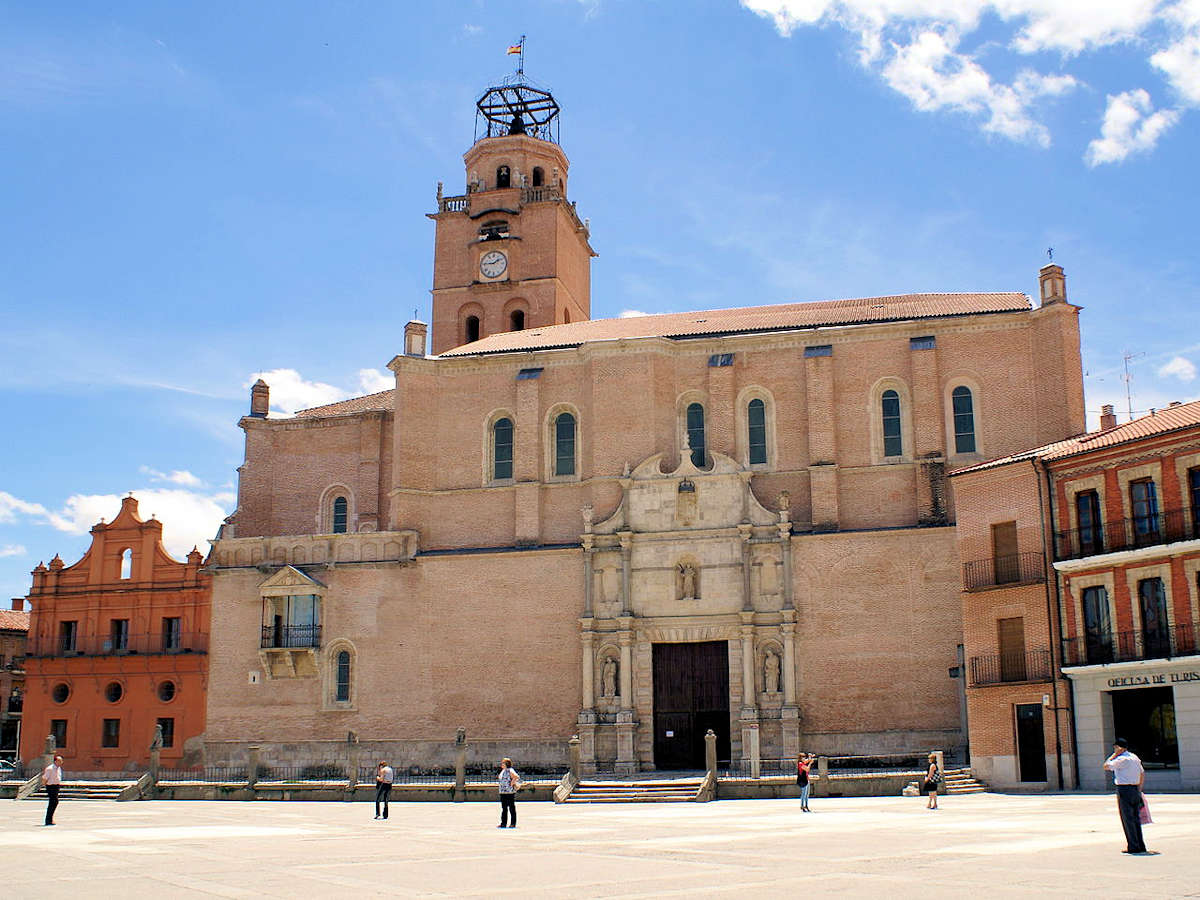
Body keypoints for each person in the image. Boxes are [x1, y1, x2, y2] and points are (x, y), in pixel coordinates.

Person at [1103, 737, 1148, 854]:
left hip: (1124, 789)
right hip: (1135, 789)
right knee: (1136, 819)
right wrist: (1139, 789)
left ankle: (1133, 846)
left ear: (1119, 747)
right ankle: (1140, 844)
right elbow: (1142, 773)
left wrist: (1113, 755)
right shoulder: (1134, 758)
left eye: (1115, 747)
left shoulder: (1121, 759)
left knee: (1127, 819)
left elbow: (1106, 766)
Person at [497, 758, 521, 828]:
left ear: (506, 764)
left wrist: (511, 783)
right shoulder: (503, 771)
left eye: (503, 763)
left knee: (511, 807)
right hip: (503, 792)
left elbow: (516, 777)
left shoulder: (510, 770)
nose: (501, 764)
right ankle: (503, 823)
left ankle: (513, 823)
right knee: (504, 808)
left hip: (509, 792)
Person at [43, 755, 64, 826]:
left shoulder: (58, 768)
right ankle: (48, 820)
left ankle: (50, 819)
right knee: (53, 802)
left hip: (56, 786)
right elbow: (45, 778)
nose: (61, 762)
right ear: (55, 761)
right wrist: (46, 786)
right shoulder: (50, 769)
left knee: (54, 802)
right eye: (60, 761)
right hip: (51, 786)